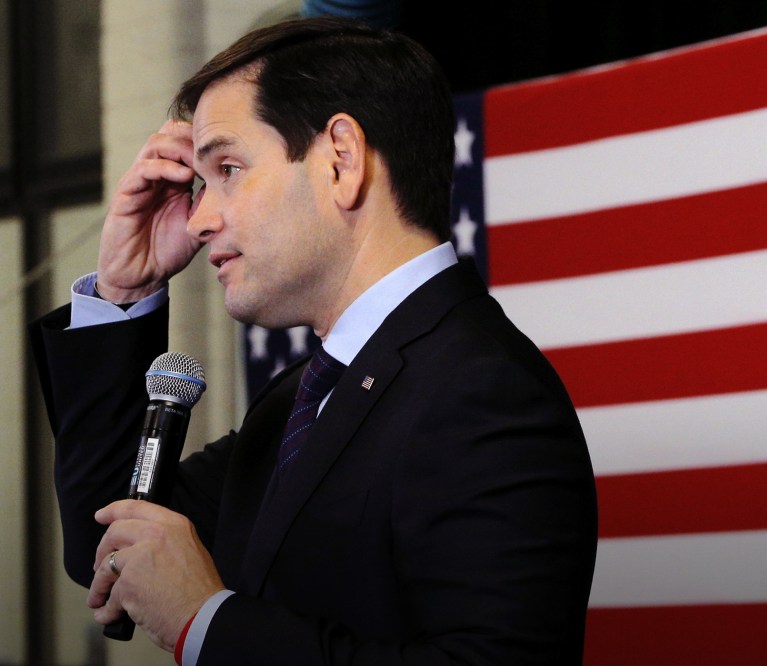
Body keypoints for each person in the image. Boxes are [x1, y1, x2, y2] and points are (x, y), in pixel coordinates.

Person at [29, 16, 598, 665]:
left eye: (228, 168)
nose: (200, 219)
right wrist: (121, 293)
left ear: (341, 161)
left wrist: (206, 623)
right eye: (200, 182)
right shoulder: (296, 398)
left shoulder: (482, 389)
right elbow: (109, 543)